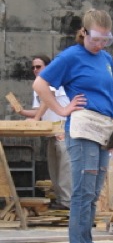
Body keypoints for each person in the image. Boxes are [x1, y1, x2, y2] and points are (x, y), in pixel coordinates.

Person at [33, 9, 113, 243]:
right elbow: (40, 84)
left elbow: (112, 89)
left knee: (92, 193)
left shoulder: (106, 58)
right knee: (82, 193)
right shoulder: (71, 56)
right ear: (84, 33)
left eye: (106, 39)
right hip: (82, 128)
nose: (100, 44)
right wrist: (61, 110)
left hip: (103, 128)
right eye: (95, 38)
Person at [14, 55, 71, 210]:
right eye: (33, 67)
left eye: (38, 67)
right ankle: (61, 201)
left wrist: (37, 118)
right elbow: (37, 110)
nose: (35, 70)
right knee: (54, 169)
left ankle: (68, 202)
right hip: (51, 132)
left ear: (48, 67)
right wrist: (21, 112)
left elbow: (48, 99)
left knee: (65, 169)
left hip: (64, 130)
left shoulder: (53, 80)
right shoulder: (38, 85)